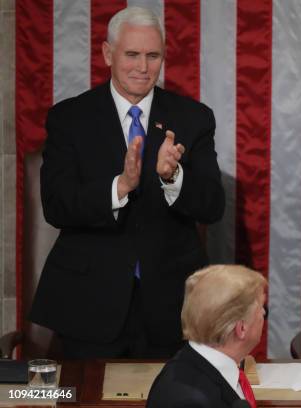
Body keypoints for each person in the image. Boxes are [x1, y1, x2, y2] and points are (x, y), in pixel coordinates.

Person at [29, 7, 225, 358]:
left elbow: (213, 205)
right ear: (108, 54)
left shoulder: (193, 118)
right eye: (131, 54)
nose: (142, 67)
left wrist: (173, 177)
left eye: (153, 56)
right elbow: (56, 204)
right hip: (88, 304)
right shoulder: (69, 118)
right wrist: (119, 187)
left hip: (172, 307)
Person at [147, 265, 266, 408]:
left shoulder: (198, 366)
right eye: (260, 307)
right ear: (241, 328)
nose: (264, 313)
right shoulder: (189, 402)